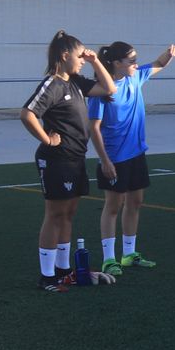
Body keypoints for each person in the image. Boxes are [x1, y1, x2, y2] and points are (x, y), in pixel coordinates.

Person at [20, 31, 119, 291]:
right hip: (56, 160)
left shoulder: (75, 82)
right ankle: (47, 276)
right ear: (65, 56)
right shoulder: (52, 84)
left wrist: (95, 60)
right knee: (55, 214)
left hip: (75, 158)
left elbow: (110, 88)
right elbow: (27, 114)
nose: (83, 60)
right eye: (80, 56)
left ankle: (63, 271)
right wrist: (46, 139)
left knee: (68, 214)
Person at [88, 39, 175, 274]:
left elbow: (159, 63)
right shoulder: (101, 91)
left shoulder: (136, 77)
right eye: (132, 61)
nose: (136, 65)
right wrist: (105, 160)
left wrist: (170, 54)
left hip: (137, 154)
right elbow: (93, 128)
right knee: (113, 206)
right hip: (115, 158)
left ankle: (129, 254)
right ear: (117, 63)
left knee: (135, 202)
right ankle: (109, 259)